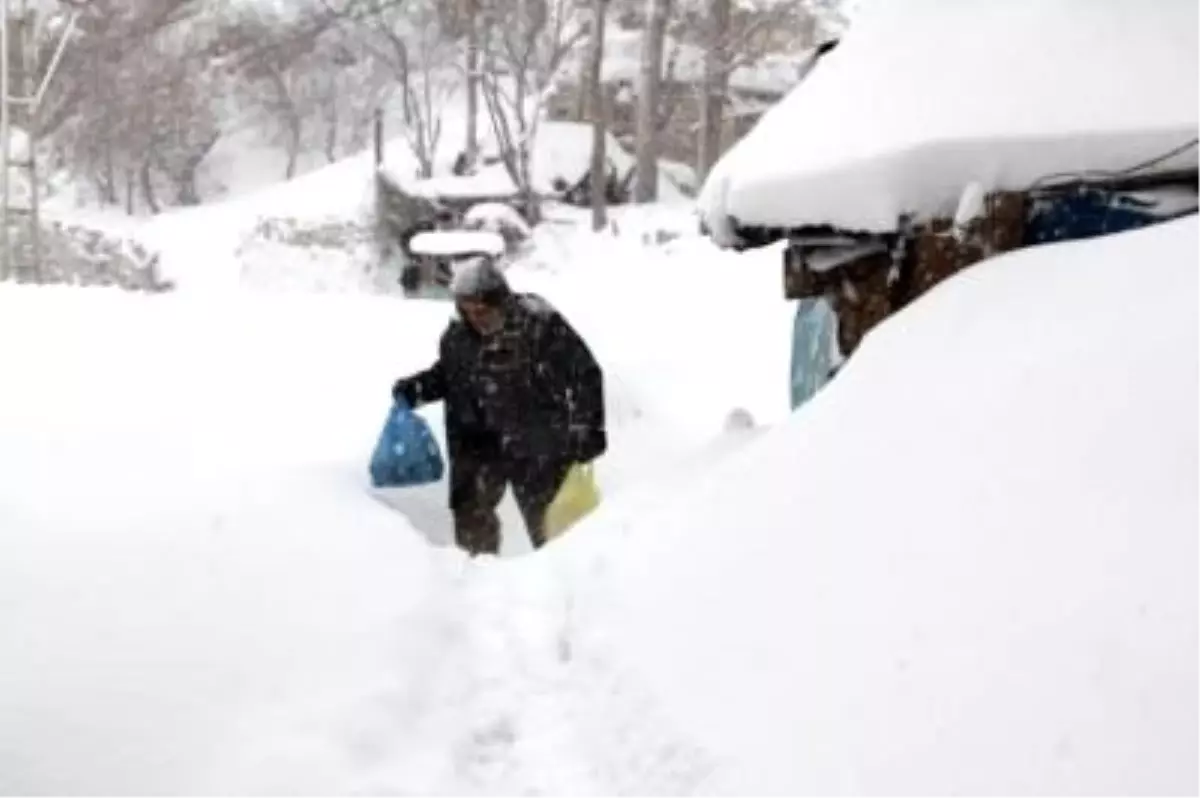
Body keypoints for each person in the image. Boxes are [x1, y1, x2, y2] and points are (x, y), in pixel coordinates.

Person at [391, 257, 606, 555]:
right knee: (471, 517)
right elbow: (453, 373)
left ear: (502, 301)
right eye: (467, 311)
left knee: (553, 524)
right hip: (475, 442)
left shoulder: (539, 323)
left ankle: (563, 582)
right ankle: (479, 581)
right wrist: (419, 388)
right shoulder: (458, 335)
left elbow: (584, 373)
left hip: (536, 441)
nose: (476, 319)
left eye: (483, 311)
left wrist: (588, 426)